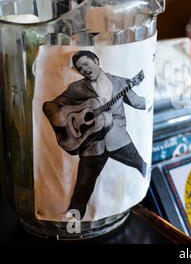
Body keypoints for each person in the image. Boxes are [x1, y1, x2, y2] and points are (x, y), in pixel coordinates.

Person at [43, 50, 149, 219]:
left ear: (97, 60)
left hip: (118, 139)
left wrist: (155, 100)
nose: (84, 70)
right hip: (90, 145)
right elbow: (51, 106)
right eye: (80, 68)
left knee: (142, 166)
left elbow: (137, 102)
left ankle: (147, 205)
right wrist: (65, 122)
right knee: (82, 188)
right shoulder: (76, 88)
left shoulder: (120, 83)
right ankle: (73, 224)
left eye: (86, 64)